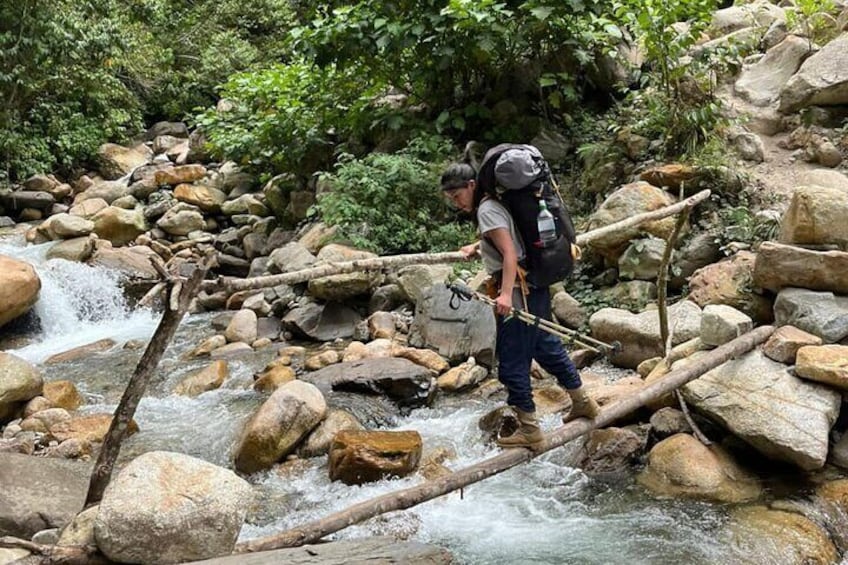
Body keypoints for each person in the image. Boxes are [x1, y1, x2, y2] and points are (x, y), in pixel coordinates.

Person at [440, 162, 600, 451]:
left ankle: (530, 431)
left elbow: (510, 252)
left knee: (512, 359)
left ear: (472, 186)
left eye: (456, 195)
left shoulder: (486, 209)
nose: (455, 202)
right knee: (545, 346)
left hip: (517, 291)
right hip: (532, 286)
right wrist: (477, 247)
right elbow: (508, 239)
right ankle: (583, 402)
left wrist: (503, 295)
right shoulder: (493, 203)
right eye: (450, 198)